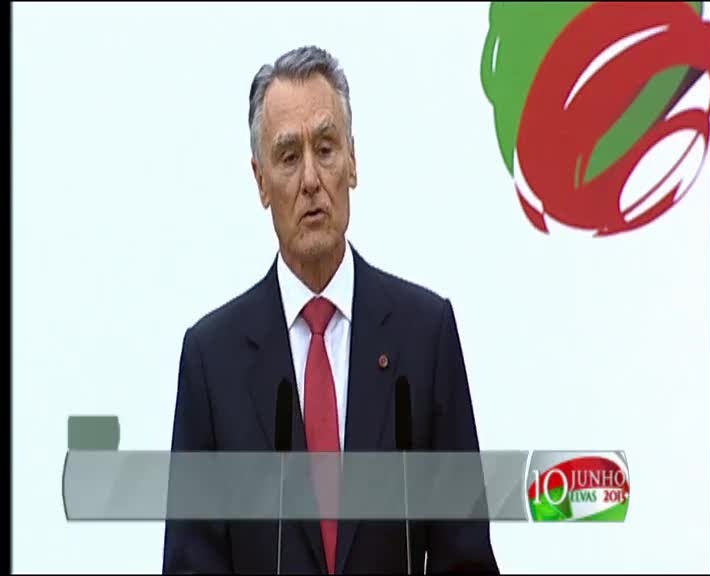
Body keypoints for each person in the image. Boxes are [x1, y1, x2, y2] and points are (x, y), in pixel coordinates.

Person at [162, 45, 498, 575]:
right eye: (288, 157)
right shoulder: (212, 360)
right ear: (260, 181)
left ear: (353, 161)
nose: (311, 180)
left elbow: (466, 558)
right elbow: (191, 564)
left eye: (326, 149)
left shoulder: (424, 335)